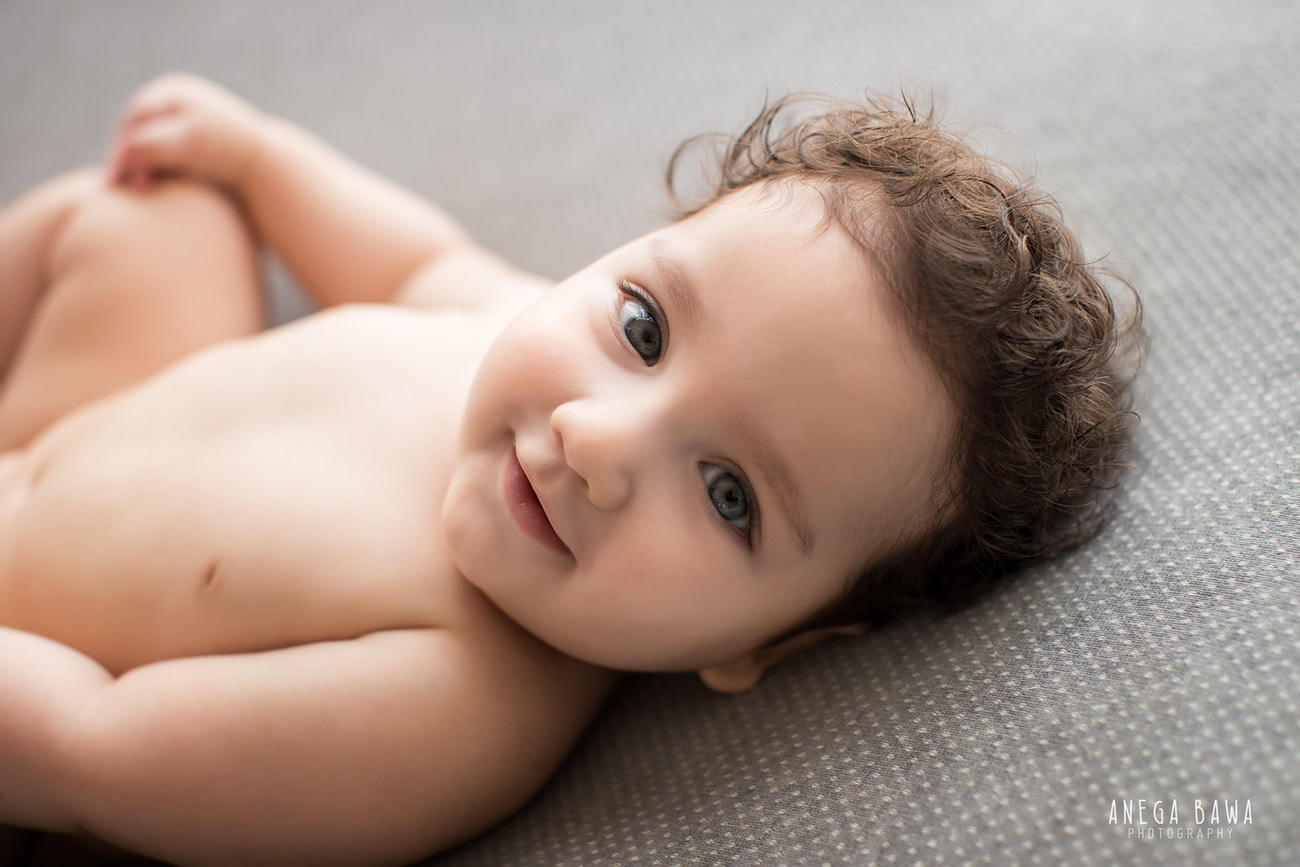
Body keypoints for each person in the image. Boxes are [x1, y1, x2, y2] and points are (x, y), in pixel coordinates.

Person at [0, 72, 1143, 865]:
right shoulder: (499, 316)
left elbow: (91, 746)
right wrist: (258, 158)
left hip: (27, 628)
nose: (597, 440)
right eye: (644, 327)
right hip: (77, 410)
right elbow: (414, 259)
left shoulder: (445, 712)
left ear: (773, 642)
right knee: (158, 213)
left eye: (728, 495)